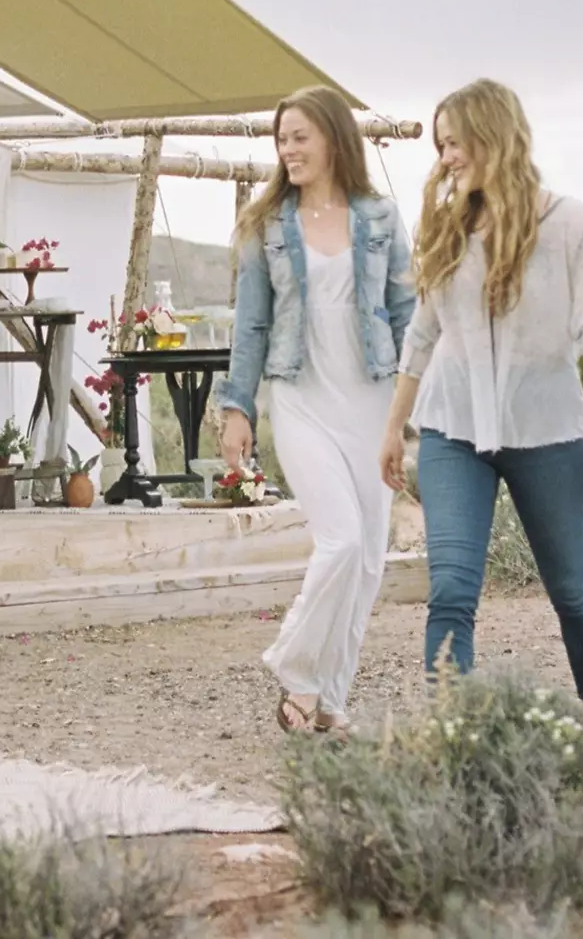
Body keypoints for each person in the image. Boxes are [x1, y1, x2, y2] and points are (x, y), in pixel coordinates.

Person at [376, 79, 583, 708]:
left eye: (457, 141)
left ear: (496, 135)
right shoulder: (448, 227)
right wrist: (395, 427)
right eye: (441, 145)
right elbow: (422, 334)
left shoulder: (568, 224)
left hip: (546, 431)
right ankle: (451, 734)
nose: (447, 156)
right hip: (452, 430)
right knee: (452, 591)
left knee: (569, 590)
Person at [216, 85, 416, 735]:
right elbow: (251, 326)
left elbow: (409, 314)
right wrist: (237, 409)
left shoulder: (381, 218)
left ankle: (330, 698)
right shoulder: (266, 225)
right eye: (282, 139)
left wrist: (416, 408)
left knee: (368, 558)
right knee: (342, 539)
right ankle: (298, 672)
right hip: (299, 397)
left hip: (372, 402)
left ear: (333, 138)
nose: (289, 150)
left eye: (300, 137)